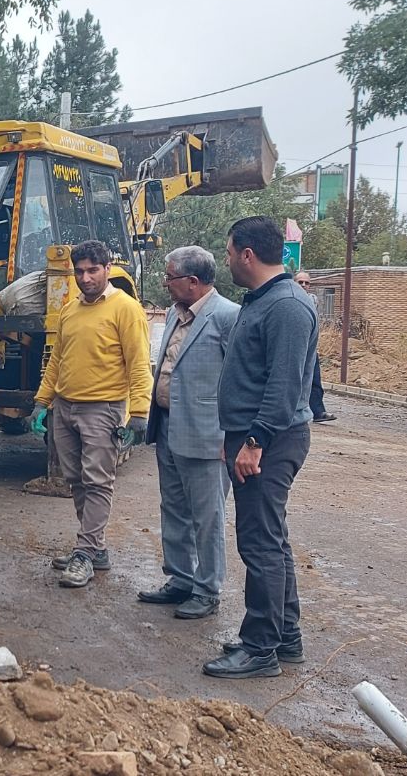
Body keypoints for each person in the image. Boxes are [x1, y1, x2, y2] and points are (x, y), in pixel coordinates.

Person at [205, 217, 318, 679]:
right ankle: (284, 635)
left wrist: (253, 442)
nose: (227, 259)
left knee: (259, 543)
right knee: (270, 538)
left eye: (230, 251)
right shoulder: (263, 301)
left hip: (270, 440)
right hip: (253, 437)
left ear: (247, 254)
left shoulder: (288, 306)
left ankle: (260, 649)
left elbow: (285, 385)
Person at [31, 240, 152, 589]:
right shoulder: (70, 311)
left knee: (98, 481)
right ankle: (94, 549)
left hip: (104, 409)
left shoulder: (126, 309)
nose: (85, 278)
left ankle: (85, 552)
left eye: (92, 270)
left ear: (107, 269)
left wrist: (140, 412)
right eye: (79, 271)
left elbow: (139, 364)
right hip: (65, 407)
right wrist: (42, 402)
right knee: (76, 479)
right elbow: (57, 360)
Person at [139, 246, 240, 620]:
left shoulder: (228, 317)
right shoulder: (173, 314)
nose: (165, 283)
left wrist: (231, 436)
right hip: (168, 426)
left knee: (208, 515)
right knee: (174, 508)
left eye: (170, 277)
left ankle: (207, 588)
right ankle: (180, 578)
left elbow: (240, 379)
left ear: (193, 282)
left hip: (207, 435)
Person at [294, 271, 336, 423]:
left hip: (309, 348)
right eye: (300, 282)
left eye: (307, 283)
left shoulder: (312, 301)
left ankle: (318, 411)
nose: (304, 285)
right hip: (293, 348)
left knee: (315, 379)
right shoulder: (288, 300)